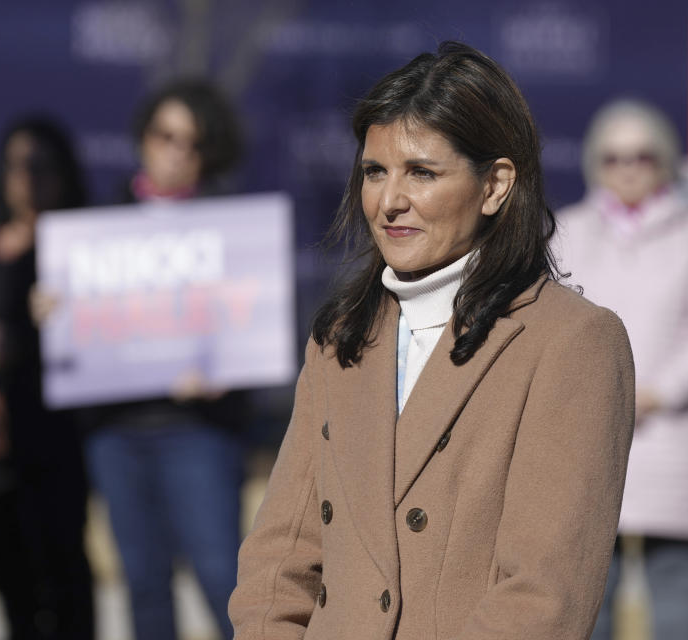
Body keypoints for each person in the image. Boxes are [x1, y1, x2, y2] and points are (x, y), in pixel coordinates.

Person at [229, 42, 636, 640]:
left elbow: (542, 598)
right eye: (374, 172)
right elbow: (279, 559)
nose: (390, 200)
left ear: (496, 185)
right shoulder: (342, 337)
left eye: (421, 172)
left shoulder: (574, 344)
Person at [554, 101, 688, 640]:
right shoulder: (566, 231)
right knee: (590, 598)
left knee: (676, 594)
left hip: (677, 437)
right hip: (587, 439)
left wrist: (658, 394)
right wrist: (593, 397)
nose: (628, 168)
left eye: (641, 155)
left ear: (664, 160)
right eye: (614, 157)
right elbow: (549, 329)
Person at [78, 78, 247, 640]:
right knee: (144, 588)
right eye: (164, 135)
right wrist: (52, 306)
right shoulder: (95, 227)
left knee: (226, 583)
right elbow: (76, 337)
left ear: (209, 152)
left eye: (191, 142)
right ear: (143, 136)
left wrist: (232, 365)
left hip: (197, 429)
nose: (175, 151)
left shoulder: (233, 227)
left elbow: (255, 328)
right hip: (117, 434)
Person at [0, 117, 95, 639]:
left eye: (41, 166)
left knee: (65, 566)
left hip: (57, 434)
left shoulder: (84, 251)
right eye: (16, 165)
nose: (27, 178)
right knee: (11, 572)